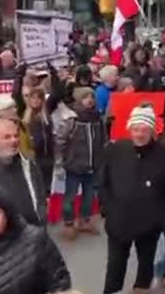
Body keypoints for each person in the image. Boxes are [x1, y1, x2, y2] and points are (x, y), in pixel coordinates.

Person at [98, 105, 165, 294]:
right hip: (118, 222)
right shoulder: (116, 149)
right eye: (135, 129)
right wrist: (108, 209)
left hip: (148, 227)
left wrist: (160, 218)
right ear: (129, 129)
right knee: (114, 267)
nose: (139, 134)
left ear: (152, 130)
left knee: (145, 266)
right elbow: (103, 182)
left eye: (144, 129)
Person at [55, 87, 106, 240]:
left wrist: (102, 161)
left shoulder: (98, 118)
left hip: (93, 166)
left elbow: (104, 140)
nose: (89, 99)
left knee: (89, 196)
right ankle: (69, 224)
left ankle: (85, 221)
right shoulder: (72, 120)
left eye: (91, 96)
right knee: (69, 198)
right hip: (74, 166)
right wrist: (59, 163)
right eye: (85, 97)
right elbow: (60, 141)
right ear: (78, 99)